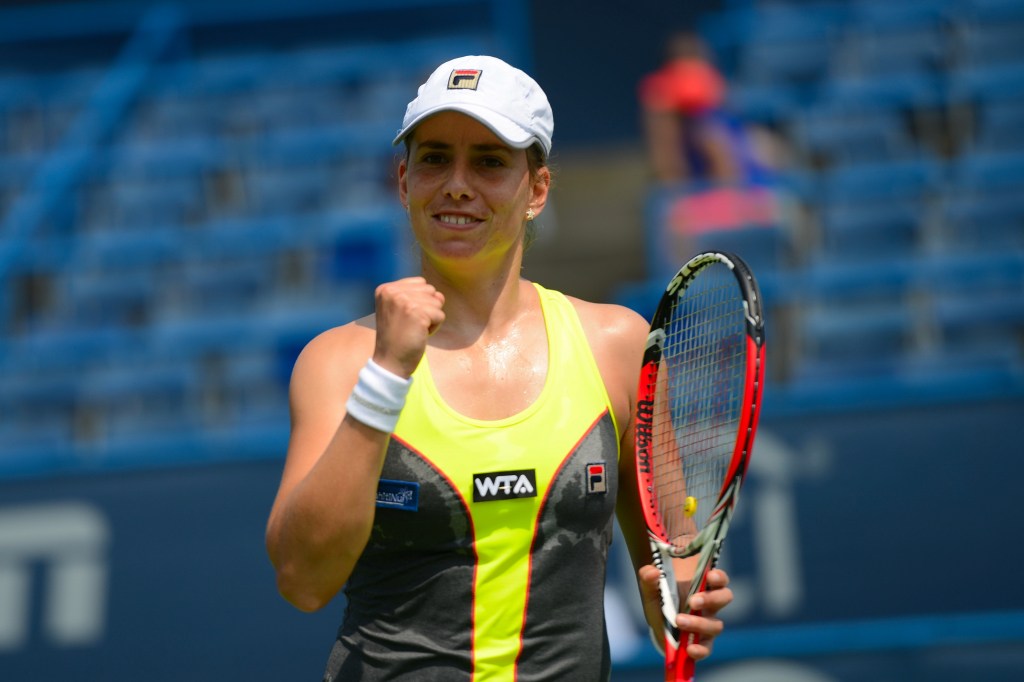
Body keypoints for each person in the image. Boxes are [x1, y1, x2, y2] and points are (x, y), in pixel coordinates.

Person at [265, 54, 734, 681]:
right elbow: (302, 580)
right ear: (404, 181)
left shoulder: (617, 345)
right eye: (434, 157)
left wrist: (673, 609)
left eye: (489, 161)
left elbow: (674, 564)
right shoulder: (339, 362)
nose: (457, 183)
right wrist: (384, 381)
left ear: (536, 189)